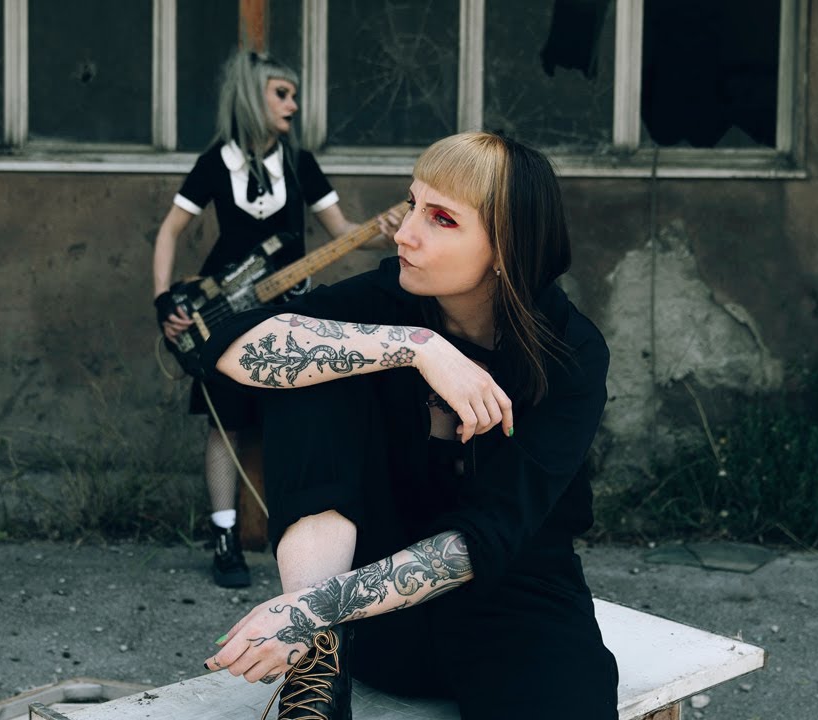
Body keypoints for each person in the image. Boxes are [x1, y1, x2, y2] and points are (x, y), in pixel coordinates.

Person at [198, 132, 619, 719]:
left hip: (515, 607)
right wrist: (414, 345)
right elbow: (227, 346)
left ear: (508, 247)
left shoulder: (569, 353)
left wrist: (314, 607)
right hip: (369, 622)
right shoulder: (388, 299)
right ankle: (315, 669)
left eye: (441, 218)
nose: (405, 233)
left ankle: (315, 626)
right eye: (412, 204)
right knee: (319, 358)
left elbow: (486, 537)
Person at [152, 50, 396, 589]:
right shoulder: (216, 162)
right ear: (251, 95)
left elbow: (342, 231)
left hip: (289, 310)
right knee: (225, 423)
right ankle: (224, 538)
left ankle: (305, 539)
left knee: (296, 414)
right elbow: (170, 230)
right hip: (222, 310)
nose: (293, 104)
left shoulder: (300, 163)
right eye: (281, 94)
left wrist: (389, 231)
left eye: (294, 94)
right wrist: (164, 300)